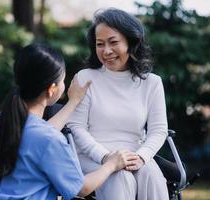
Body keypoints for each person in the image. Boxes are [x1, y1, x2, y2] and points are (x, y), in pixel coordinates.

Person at [0, 43, 136, 200]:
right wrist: (112, 164)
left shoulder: (1, 120)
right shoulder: (48, 139)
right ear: (52, 89)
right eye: (62, 80)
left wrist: (73, 102)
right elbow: (81, 188)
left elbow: (38, 136)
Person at [67, 8, 169, 200]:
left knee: (152, 175)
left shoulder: (152, 83)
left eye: (113, 42)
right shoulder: (86, 78)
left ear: (131, 42)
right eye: (100, 44)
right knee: (119, 177)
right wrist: (107, 159)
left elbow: (159, 130)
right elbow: (76, 127)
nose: (106, 51)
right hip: (93, 158)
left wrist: (141, 157)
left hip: (135, 155)